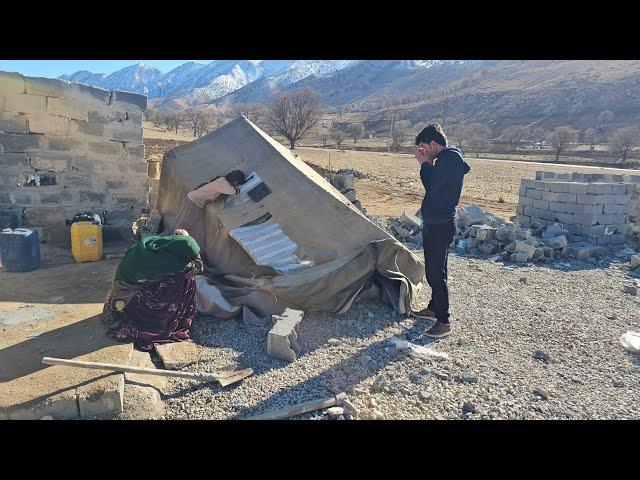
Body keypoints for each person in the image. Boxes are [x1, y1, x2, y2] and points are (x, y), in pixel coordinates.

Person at [101, 229, 204, 351]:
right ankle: (164, 320)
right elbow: (198, 267)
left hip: (123, 285)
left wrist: (185, 238)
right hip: (129, 295)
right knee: (186, 280)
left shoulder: (155, 244)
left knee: (176, 276)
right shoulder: (168, 261)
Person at [412, 124, 470, 338]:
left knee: (435, 274)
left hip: (440, 226)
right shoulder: (445, 161)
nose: (422, 152)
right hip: (435, 224)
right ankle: (434, 308)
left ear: (433, 144)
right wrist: (428, 163)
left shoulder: (450, 160)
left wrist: (424, 165)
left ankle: (444, 322)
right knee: (436, 270)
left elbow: (433, 187)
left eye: (423, 147)